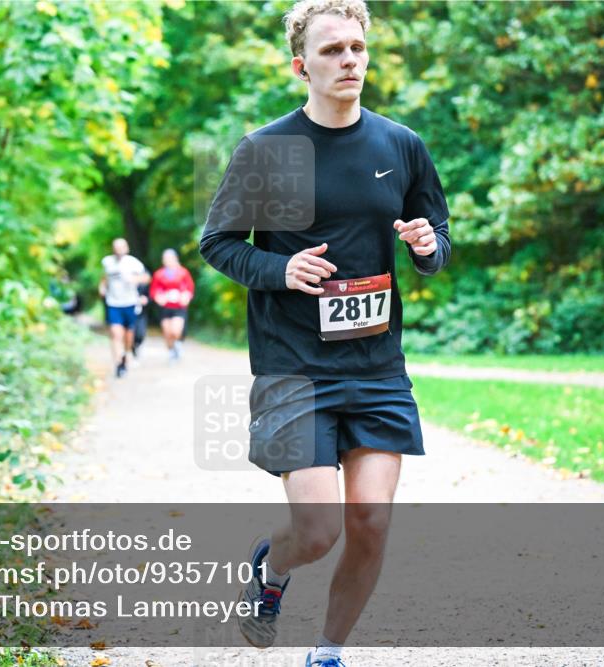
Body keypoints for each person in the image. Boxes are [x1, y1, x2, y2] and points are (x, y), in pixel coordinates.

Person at [199, 1, 451, 665]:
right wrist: (281, 267)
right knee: (317, 529)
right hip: (293, 365)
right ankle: (272, 570)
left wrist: (427, 245)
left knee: (370, 521)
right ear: (300, 65)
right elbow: (219, 244)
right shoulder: (266, 150)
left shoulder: (400, 146)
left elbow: (437, 239)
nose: (348, 60)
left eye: (357, 48)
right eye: (332, 49)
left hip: (376, 368)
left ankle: (328, 650)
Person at [99, 238, 150, 378]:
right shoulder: (107, 262)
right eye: (116, 247)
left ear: (126, 248)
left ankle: (127, 353)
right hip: (113, 303)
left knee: (128, 335)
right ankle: (118, 363)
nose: (118, 250)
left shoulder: (133, 262)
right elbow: (104, 278)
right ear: (113, 249)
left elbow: (146, 278)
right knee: (116, 334)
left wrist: (135, 280)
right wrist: (102, 287)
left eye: (121, 247)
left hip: (130, 302)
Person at [149, 248, 195, 362]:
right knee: (167, 333)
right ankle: (171, 351)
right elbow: (154, 290)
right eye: (165, 258)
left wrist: (186, 296)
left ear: (175, 258)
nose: (168, 260)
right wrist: (158, 297)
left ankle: (178, 345)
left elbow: (190, 287)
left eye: (170, 258)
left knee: (176, 331)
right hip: (165, 307)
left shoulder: (183, 272)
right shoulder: (159, 274)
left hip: (179, 307)